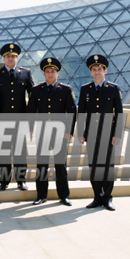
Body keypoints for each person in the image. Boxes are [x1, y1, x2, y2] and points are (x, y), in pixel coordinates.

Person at [27, 57, 76, 206]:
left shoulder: (66, 90)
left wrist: (69, 132)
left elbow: (72, 112)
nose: (50, 74)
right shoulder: (36, 90)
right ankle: (41, 196)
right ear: (44, 74)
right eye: (47, 71)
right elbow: (31, 111)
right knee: (42, 166)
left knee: (60, 166)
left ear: (57, 73)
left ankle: (64, 196)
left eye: (52, 71)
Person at [78, 54, 123, 211]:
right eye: (94, 69)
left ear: (105, 71)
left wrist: (117, 134)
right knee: (94, 166)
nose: (97, 72)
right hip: (91, 133)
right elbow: (82, 112)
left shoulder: (113, 89)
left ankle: (108, 197)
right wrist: (80, 132)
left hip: (108, 133)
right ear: (90, 72)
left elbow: (119, 113)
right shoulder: (85, 90)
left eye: (99, 69)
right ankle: (97, 196)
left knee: (108, 167)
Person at [0, 43, 34, 191]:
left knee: (21, 150)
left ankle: (21, 180)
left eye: (13, 56)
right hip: (3, 118)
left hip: (21, 118)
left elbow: (32, 95)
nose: (11, 58)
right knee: (5, 151)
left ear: (17, 58)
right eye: (8, 56)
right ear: (4, 58)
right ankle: (4, 180)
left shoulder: (25, 73)